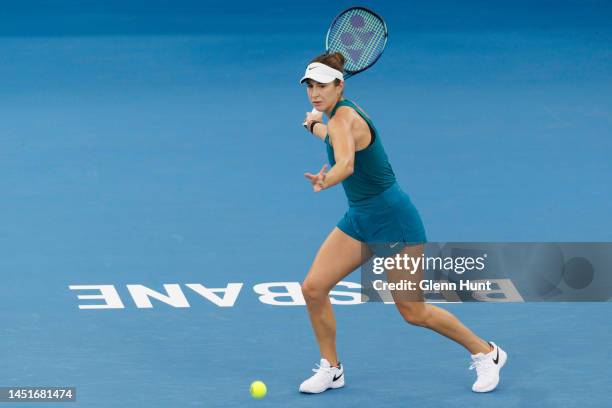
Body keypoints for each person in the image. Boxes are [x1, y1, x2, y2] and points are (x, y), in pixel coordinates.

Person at [297, 52, 507, 394]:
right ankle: (331, 369)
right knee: (314, 288)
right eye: (310, 87)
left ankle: (487, 353)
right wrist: (313, 125)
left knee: (413, 311)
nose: (315, 94)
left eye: (322, 86)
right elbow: (334, 138)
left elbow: (346, 163)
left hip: (394, 222)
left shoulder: (343, 119)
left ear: (340, 85)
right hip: (360, 219)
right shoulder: (336, 117)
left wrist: (326, 180)